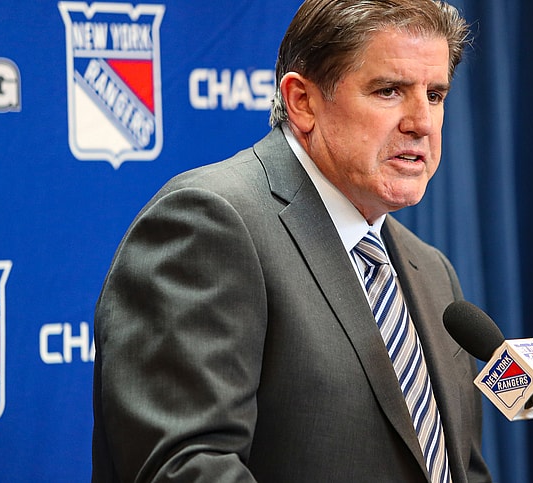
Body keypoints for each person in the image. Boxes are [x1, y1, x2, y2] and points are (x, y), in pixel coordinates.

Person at [91, 0, 492, 481]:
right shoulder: (209, 223)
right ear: (303, 101)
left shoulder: (432, 272)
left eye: (435, 95)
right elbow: (186, 468)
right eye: (389, 91)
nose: (421, 122)